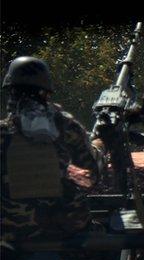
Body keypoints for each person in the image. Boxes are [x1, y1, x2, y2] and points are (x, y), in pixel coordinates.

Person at [1, 56, 106, 247]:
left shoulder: (3, 132)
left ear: (11, 92)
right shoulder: (66, 126)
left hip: (11, 232)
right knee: (101, 250)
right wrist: (100, 146)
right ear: (46, 92)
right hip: (65, 229)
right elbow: (91, 175)